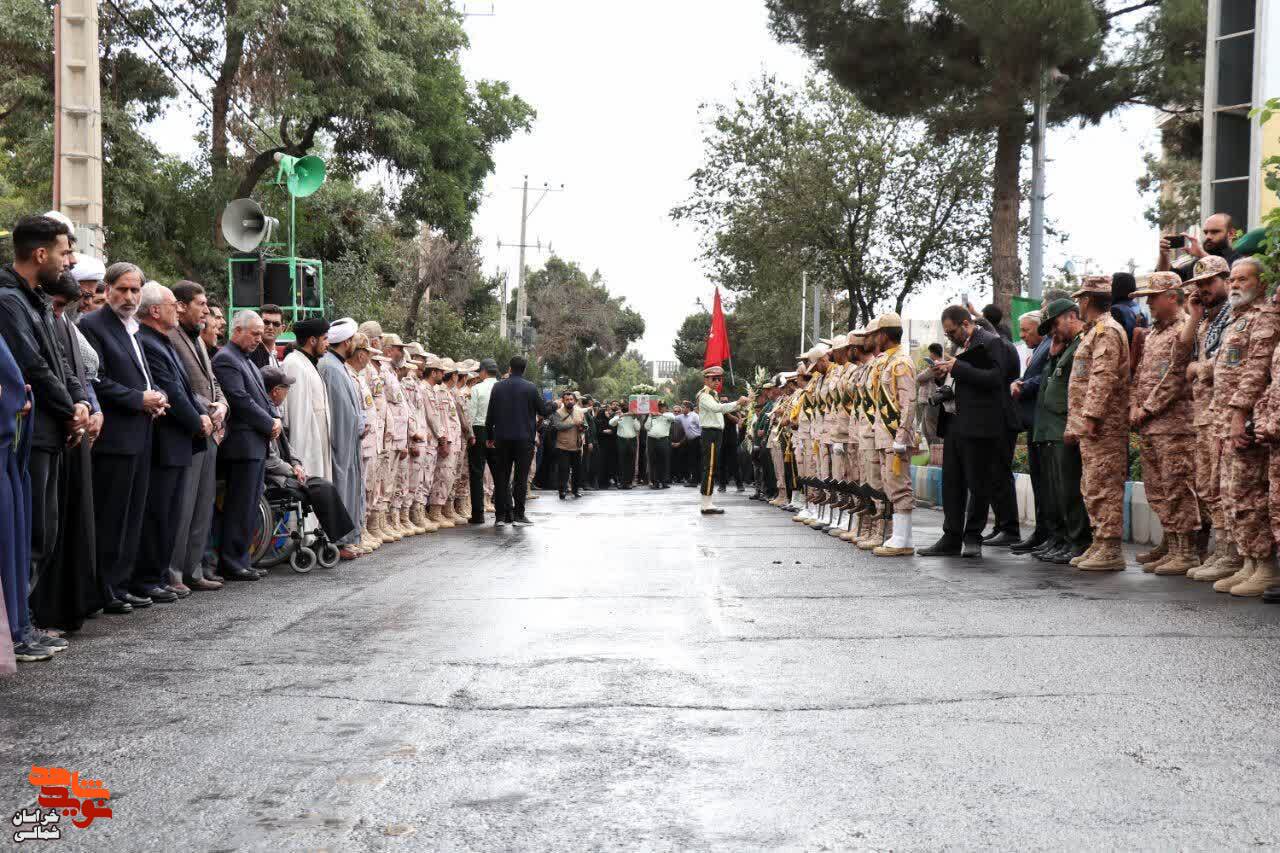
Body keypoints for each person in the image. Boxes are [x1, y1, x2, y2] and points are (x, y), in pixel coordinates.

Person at [0, 217, 90, 635]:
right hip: (30, 435)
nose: (67, 261)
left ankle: (26, 623)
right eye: (62, 252)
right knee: (31, 534)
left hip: (52, 431)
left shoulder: (35, 299)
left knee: (45, 533)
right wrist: (71, 409)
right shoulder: (9, 301)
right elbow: (31, 365)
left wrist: (80, 403)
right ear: (40, 254)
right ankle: (18, 629)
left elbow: (63, 364)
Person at [79, 263, 163, 611]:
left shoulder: (133, 327)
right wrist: (138, 398)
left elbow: (140, 376)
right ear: (107, 288)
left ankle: (122, 583)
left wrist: (156, 395)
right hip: (114, 436)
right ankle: (104, 588)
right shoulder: (92, 325)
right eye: (123, 289)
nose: (129, 297)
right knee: (111, 516)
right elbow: (96, 379)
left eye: (135, 290)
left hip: (140, 432)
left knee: (133, 514)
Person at [919, 305, 1019, 559]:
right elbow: (960, 382)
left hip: (979, 424)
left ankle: (972, 536)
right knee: (952, 483)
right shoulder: (959, 347)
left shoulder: (990, 342)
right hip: (954, 421)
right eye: (947, 333)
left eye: (952, 331)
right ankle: (951, 536)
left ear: (966, 324)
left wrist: (957, 368)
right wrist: (944, 376)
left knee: (978, 483)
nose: (950, 337)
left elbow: (996, 379)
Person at [1205, 258, 1279, 595]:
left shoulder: (1264, 318)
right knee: (1232, 495)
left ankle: (1264, 566)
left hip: (1246, 421)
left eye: (1242, 279)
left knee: (1249, 495)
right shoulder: (1237, 320)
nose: (1234, 285)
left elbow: (1256, 372)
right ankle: (1248, 561)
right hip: (1226, 421)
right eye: (1231, 279)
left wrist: (1238, 416)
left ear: (1261, 283)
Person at [134, 282, 209, 602]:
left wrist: (202, 413)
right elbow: (171, 391)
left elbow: (185, 388)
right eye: (171, 305)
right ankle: (149, 578)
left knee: (170, 513)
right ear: (154, 311)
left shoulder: (163, 340)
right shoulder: (149, 342)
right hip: (166, 440)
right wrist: (197, 421)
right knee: (159, 513)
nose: (176, 309)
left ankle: (159, 575)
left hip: (178, 440)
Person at [1128, 271, 1200, 576]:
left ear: (1173, 296)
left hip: (1175, 425)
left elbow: (1176, 377)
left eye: (1153, 297)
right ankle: (1171, 544)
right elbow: (1139, 375)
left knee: (1178, 488)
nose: (1148, 304)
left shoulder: (1185, 329)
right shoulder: (1154, 333)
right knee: (1158, 489)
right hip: (1150, 425)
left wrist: (1146, 408)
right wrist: (1133, 405)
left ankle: (1187, 551)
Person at [1063, 276, 1131, 571]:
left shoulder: (1106, 331)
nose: (1078, 304)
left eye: (1080, 299)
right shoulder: (1093, 332)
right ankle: (1099, 541)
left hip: (1104, 425)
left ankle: (1111, 548)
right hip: (1092, 426)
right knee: (1092, 484)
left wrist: (1091, 416)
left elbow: (1103, 376)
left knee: (1105, 485)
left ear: (1087, 300)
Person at [212, 310, 280, 581]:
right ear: (237, 330)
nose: (258, 339)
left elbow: (260, 398)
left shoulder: (247, 360)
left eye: (260, 334)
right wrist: (268, 422)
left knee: (249, 505)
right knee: (239, 505)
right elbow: (240, 400)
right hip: (241, 444)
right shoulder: (227, 359)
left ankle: (243, 558)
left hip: (254, 443)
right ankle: (232, 561)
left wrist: (273, 419)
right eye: (254, 334)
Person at [166, 280, 226, 591]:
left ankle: (194, 568)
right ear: (180, 305)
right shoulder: (172, 338)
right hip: (189, 429)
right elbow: (179, 388)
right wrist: (207, 408)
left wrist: (222, 406)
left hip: (210, 431)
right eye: (201, 304)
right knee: (184, 506)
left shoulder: (200, 341)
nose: (206, 311)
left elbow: (212, 381)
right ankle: (174, 572)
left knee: (202, 505)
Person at [1181, 255, 1235, 579]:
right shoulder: (1206, 322)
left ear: (1226, 280)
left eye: (1210, 282)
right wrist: (1193, 314)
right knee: (1207, 486)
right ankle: (1221, 550)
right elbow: (1182, 351)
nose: (1204, 290)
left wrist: (1199, 368)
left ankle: (1230, 554)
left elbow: (1225, 363)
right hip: (1204, 416)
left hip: (1223, 414)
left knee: (1223, 486)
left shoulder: (1231, 319)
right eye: (1199, 285)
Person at [262, 366, 356, 549]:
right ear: (275, 391)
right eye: (285, 388)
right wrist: (292, 471)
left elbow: (287, 448)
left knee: (324, 485)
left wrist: (296, 464)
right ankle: (336, 538)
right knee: (321, 487)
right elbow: (270, 460)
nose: (287, 393)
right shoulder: (266, 416)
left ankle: (337, 536)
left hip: (286, 471)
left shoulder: (274, 412)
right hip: (275, 477)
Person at [1031, 299, 1091, 564]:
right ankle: (1061, 538)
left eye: (1055, 324)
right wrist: (1053, 354)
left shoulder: (1082, 343)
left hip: (1064, 425)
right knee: (1055, 490)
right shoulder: (1064, 348)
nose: (1053, 332)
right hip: (1050, 427)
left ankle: (1076, 540)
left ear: (1070, 316)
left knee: (1069, 489)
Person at [867, 314, 918, 557]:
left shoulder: (901, 363)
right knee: (890, 484)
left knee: (899, 485)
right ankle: (901, 537)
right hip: (885, 435)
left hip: (895, 435)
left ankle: (903, 539)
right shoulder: (888, 362)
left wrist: (902, 436)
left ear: (884, 335)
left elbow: (908, 402)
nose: (874, 338)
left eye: (876, 334)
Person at [485, 355, 553, 525]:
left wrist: (490, 437)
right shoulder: (530, 388)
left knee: (501, 478)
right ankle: (519, 515)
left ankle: (500, 516)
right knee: (520, 478)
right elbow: (543, 411)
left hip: (502, 438)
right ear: (524, 369)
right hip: (524, 440)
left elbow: (490, 414)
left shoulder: (498, 387)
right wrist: (553, 405)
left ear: (509, 367)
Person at [317, 318, 365, 559]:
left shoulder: (338, 366)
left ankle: (348, 538)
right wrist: (359, 425)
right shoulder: (331, 368)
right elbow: (342, 414)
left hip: (348, 442)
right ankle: (340, 541)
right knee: (342, 487)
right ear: (347, 342)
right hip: (342, 442)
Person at [1008, 311, 1051, 554]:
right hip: (1035, 424)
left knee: (1047, 484)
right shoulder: (1041, 348)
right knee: (1039, 482)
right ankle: (1043, 533)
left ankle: (1049, 534)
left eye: (1026, 330)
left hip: (1044, 422)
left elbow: (1043, 378)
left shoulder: (1049, 346)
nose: (1022, 335)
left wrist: (1023, 385)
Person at [280, 318, 333, 482]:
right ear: (312, 340)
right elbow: (298, 419)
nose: (328, 343)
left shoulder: (308, 363)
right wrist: (299, 461)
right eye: (325, 338)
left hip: (318, 447)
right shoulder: (294, 364)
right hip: (306, 451)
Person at [695, 365, 746, 515]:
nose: (717, 381)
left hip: (715, 433)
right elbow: (717, 409)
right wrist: (737, 403)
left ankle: (708, 501)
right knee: (709, 468)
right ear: (706, 379)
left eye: (719, 379)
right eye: (713, 379)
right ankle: (706, 503)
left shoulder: (712, 394)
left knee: (711, 467)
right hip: (710, 433)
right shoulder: (704, 395)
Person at [1158, 212, 1240, 281]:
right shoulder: (1197, 262)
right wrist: (1164, 256)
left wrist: (1201, 254)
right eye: (1206, 232)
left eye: (1215, 232)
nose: (1208, 236)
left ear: (1231, 234)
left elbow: (1227, 278)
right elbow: (1167, 280)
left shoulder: (1240, 262)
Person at [466, 358, 499, 522]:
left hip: (479, 429)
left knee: (477, 472)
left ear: (483, 372)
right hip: (498, 431)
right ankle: (503, 511)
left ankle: (478, 514)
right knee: (499, 472)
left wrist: (470, 434)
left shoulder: (477, 388)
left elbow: (471, 413)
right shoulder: (502, 387)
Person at [550, 389, 584, 498]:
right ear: (563, 401)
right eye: (567, 399)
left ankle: (575, 490)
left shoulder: (579, 411)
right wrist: (574, 423)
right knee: (563, 470)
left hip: (577, 445)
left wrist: (582, 427)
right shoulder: (557, 412)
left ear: (574, 400)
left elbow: (585, 424)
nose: (569, 401)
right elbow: (558, 426)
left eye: (571, 399)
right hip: (562, 445)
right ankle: (562, 490)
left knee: (577, 470)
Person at [610, 405, 640, 489]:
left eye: (627, 409)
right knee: (621, 462)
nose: (626, 411)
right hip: (621, 440)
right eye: (624, 409)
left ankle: (629, 482)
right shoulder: (619, 416)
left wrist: (634, 418)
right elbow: (611, 423)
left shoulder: (633, 417)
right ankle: (622, 482)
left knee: (631, 462)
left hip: (632, 440)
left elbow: (638, 428)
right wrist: (620, 415)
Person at [647, 400, 675, 489]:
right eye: (659, 406)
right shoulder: (651, 415)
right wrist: (650, 416)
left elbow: (673, 418)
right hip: (651, 440)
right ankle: (655, 482)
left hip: (663, 440)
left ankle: (664, 482)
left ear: (666, 408)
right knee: (653, 461)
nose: (661, 408)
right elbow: (646, 427)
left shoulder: (668, 415)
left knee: (664, 461)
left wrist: (660, 414)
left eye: (663, 406)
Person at [249, 303, 283, 368]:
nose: (270, 327)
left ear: (282, 329)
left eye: (276, 324)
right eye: (266, 322)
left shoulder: (273, 353)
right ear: (257, 324)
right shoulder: (250, 353)